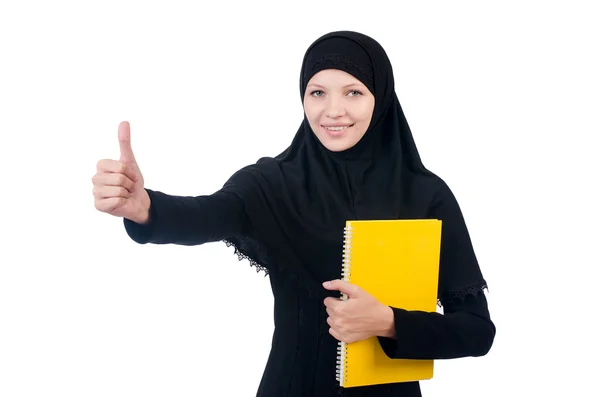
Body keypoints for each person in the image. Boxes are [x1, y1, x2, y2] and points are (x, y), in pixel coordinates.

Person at [92, 31, 495, 397]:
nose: (332, 110)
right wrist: (145, 208)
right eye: (317, 93)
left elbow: (477, 332)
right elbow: (205, 213)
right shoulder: (270, 183)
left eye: (353, 92)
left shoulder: (427, 196)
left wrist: (388, 323)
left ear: (381, 96)